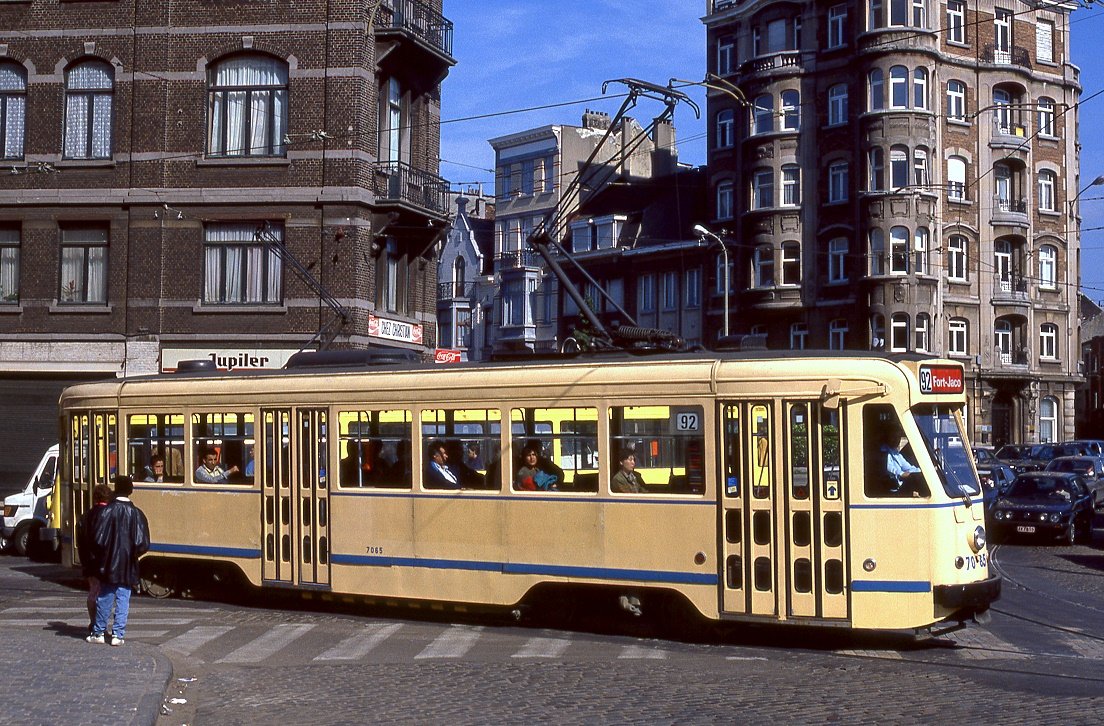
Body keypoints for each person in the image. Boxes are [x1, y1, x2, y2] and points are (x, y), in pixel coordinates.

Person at [88, 476, 150, 647]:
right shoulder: (137, 513)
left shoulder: (107, 511)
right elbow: (143, 543)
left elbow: (98, 539)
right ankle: (118, 634)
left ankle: (99, 632)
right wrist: (133, 553)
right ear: (130, 491)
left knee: (105, 598)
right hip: (128, 563)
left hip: (108, 563)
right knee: (123, 599)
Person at [76, 483, 113, 635]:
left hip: (89, 560)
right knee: (104, 594)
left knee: (93, 591)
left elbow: (80, 539)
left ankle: (94, 621)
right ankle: (100, 626)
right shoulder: (109, 514)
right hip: (103, 560)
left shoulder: (86, 515)